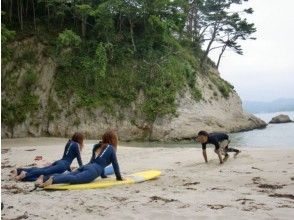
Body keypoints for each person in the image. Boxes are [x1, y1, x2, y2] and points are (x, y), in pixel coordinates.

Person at [36, 130, 123, 187]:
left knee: (70, 175)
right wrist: (119, 178)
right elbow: (115, 165)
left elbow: (97, 160)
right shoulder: (111, 149)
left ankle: (44, 178)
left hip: (87, 166)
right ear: (113, 140)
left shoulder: (97, 146)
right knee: (75, 179)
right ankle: (53, 180)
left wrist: (103, 176)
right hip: (94, 170)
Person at [11, 132, 84, 181]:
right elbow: (79, 159)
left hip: (59, 162)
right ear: (80, 139)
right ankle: (25, 174)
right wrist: (82, 169)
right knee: (44, 172)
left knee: (43, 169)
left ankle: (18, 170)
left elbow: (66, 157)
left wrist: (69, 169)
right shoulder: (76, 145)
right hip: (63, 165)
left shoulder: (69, 142)